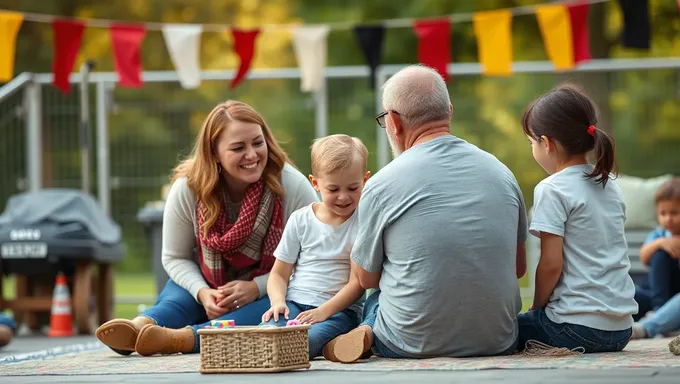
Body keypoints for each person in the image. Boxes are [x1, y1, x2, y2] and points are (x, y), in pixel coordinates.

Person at [323, 65, 528, 363]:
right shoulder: (502, 173)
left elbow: (367, 278)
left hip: (408, 344)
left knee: (376, 298)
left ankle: (366, 331)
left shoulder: (382, 184)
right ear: (450, 111)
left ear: (393, 122)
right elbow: (519, 268)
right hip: (498, 341)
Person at [96, 100, 319, 356]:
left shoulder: (292, 184)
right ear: (214, 153)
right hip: (206, 282)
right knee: (177, 298)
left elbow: (312, 259)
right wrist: (202, 292)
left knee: (276, 308)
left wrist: (256, 286)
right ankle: (140, 327)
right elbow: (175, 257)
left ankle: (179, 339)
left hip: (271, 288)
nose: (252, 155)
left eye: (258, 143)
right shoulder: (187, 188)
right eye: (238, 147)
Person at [516, 84, 638, 353]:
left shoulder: (552, 188)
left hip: (574, 328)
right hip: (621, 329)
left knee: (505, 330)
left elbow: (550, 264)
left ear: (546, 143)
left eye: (531, 142)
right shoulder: (610, 184)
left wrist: (537, 307)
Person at [260, 134, 370, 360]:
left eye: (352, 188)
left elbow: (356, 284)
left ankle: (333, 344)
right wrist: (278, 302)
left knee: (302, 342)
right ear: (315, 183)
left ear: (365, 180)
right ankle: (332, 348)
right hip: (294, 305)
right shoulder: (301, 219)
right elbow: (279, 274)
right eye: (333, 189)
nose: (343, 197)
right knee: (266, 336)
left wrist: (323, 312)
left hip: (339, 312)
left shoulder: (363, 222)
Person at [633, 177, 680, 318]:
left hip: (675, 298)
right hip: (654, 294)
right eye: (663, 214)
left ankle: (660, 312)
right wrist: (661, 242)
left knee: (661, 254)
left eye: (674, 213)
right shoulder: (660, 234)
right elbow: (643, 257)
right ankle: (657, 312)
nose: (668, 219)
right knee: (631, 297)